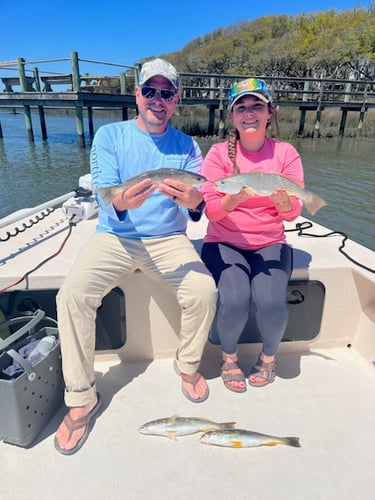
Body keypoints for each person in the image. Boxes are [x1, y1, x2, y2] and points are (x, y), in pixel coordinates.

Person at [54, 58, 217, 455]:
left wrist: (197, 201)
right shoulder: (109, 136)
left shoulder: (187, 146)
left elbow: (199, 202)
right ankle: (81, 397)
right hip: (116, 235)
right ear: (137, 94)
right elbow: (107, 198)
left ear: (175, 100)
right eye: (150, 91)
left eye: (166, 93)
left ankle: (187, 365)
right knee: (72, 295)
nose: (157, 100)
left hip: (168, 239)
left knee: (203, 290)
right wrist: (122, 201)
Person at [200, 78, 304, 393]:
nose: (249, 113)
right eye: (241, 107)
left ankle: (268, 358)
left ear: (269, 112)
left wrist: (286, 204)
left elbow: (292, 212)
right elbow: (211, 210)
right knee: (235, 299)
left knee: (271, 301)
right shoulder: (218, 154)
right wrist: (233, 199)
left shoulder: (286, 153)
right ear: (232, 116)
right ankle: (229, 358)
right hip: (224, 242)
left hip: (270, 243)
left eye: (257, 105)